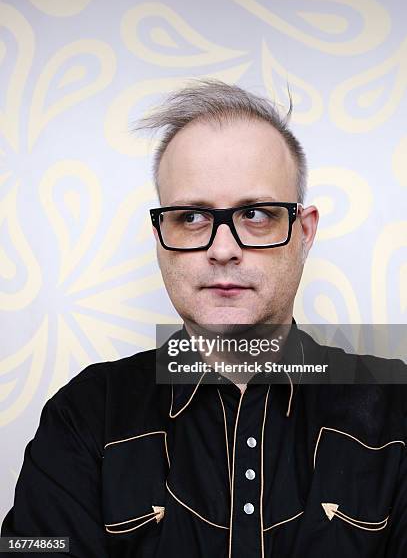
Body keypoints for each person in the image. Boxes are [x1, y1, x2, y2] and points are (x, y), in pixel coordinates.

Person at [1, 81, 406, 557]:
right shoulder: (85, 415)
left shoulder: (396, 408)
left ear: (305, 231)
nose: (223, 249)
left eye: (256, 213)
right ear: (160, 235)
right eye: (191, 217)